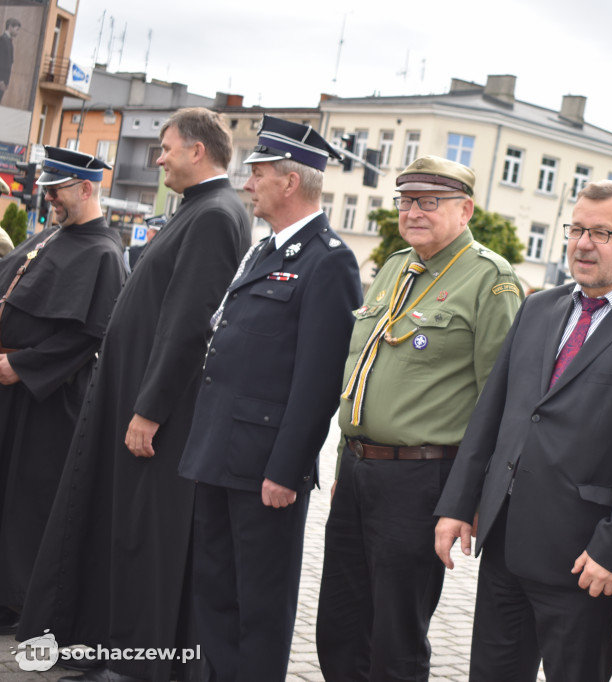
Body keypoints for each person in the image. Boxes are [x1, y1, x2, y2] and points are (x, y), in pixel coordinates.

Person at [435, 180, 612, 682]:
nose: (583, 243)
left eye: (602, 233)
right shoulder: (539, 308)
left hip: (585, 563)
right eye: (577, 228)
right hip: (507, 544)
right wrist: (457, 504)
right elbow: (493, 414)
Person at [18, 107, 250, 682]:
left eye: (167, 147)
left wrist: (150, 408)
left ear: (197, 150)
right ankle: (103, 643)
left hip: (157, 411)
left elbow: (189, 323)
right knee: (118, 526)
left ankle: (136, 661)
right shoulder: (195, 210)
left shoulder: (217, 214)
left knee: (145, 536)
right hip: (129, 394)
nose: (160, 157)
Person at [315, 155, 522, 682]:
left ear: (465, 209)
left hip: (422, 478)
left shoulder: (490, 280)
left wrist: (467, 498)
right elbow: (360, 373)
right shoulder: (393, 267)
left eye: (430, 202)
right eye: (407, 200)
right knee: (339, 625)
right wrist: (344, 467)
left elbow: (498, 400)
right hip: (361, 472)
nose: (414, 211)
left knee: (395, 638)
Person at [177, 115, 362, 682]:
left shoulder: (329, 261)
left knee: (259, 605)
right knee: (215, 594)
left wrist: (286, 469)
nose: (247, 183)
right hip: (218, 452)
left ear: (289, 181)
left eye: (256, 173)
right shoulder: (262, 252)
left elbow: (318, 381)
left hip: (264, 469)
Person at [0, 148, 125, 635]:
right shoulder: (52, 234)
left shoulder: (104, 252)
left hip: (44, 397)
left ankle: (15, 599)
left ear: (86, 188)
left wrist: (21, 366)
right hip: (11, 386)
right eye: (47, 189)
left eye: (57, 190)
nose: (48, 197)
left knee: (28, 498)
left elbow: (91, 334)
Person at [0, 18, 20, 105]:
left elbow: (9, 62)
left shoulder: (9, 41)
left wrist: (6, 81)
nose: (17, 32)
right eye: (17, 29)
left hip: (4, 81)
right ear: (10, 27)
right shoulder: (2, 40)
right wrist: (1, 80)